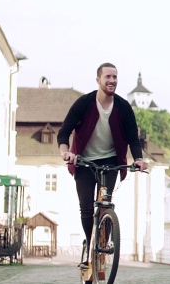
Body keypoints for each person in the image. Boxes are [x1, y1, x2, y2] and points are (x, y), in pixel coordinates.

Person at [57, 62, 147, 269]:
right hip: (83, 161)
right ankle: (90, 246)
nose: (112, 81)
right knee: (87, 208)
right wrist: (66, 152)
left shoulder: (123, 107)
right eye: (108, 77)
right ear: (98, 80)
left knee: (105, 203)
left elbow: (133, 138)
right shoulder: (84, 103)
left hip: (110, 161)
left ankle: (103, 241)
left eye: (115, 77)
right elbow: (64, 131)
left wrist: (139, 158)